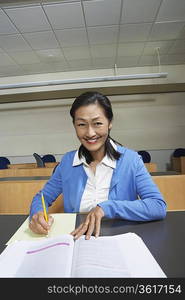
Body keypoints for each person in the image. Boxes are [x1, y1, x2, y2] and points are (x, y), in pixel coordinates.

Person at [29, 91, 166, 239]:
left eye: (97, 123)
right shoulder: (68, 162)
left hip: (119, 238)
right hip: (77, 237)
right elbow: (42, 197)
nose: (90, 133)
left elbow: (157, 206)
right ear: (74, 125)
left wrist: (107, 207)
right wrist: (37, 214)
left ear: (110, 122)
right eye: (81, 124)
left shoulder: (131, 160)